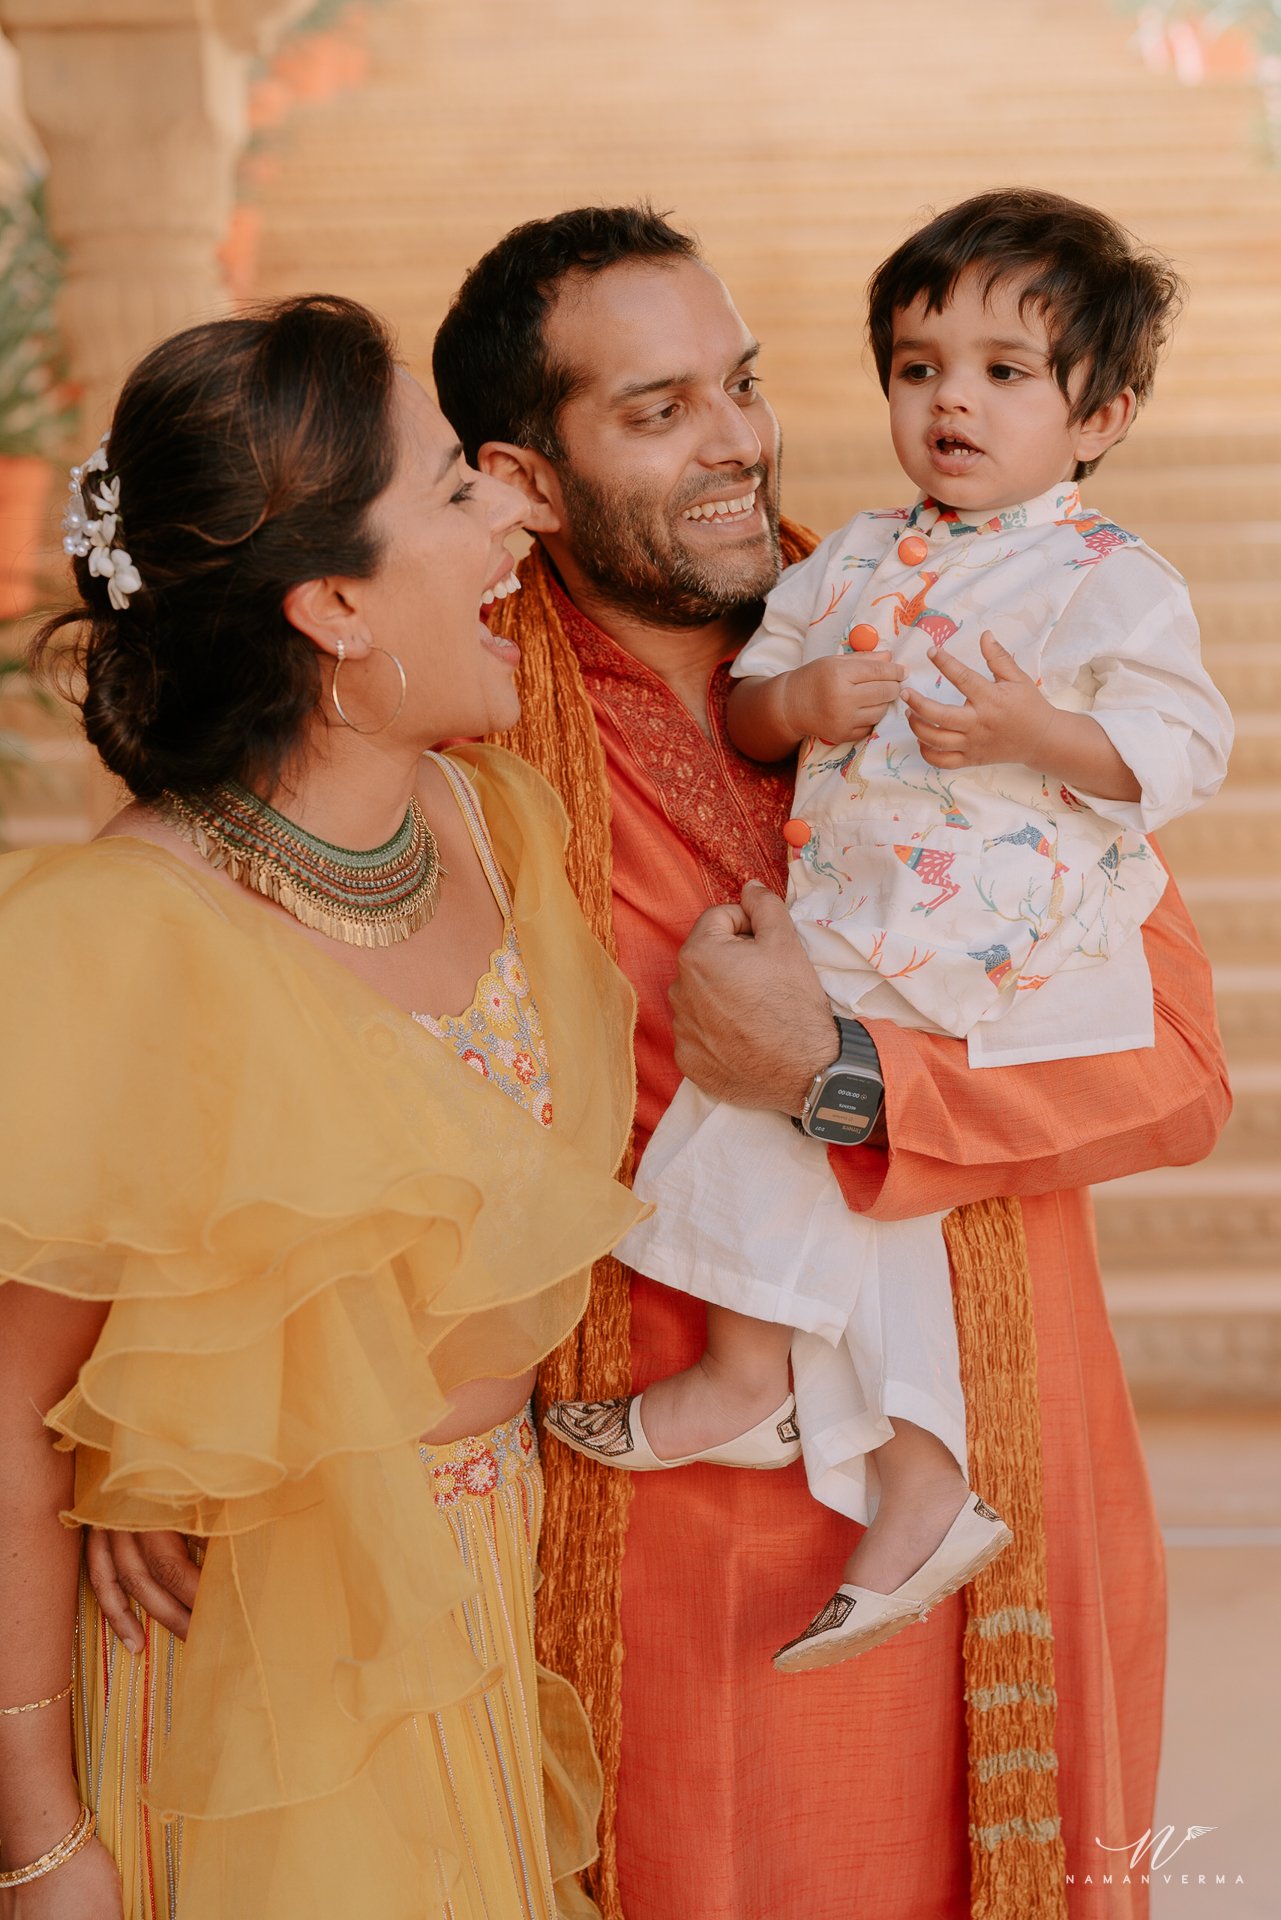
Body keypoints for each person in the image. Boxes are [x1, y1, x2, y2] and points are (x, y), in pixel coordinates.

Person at [430, 205, 1231, 1920]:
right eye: (657, 412)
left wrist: (842, 1076)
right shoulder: (469, 722)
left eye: (740, 383)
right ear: (530, 477)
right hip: (679, 1551)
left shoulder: (968, 628)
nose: (735, 442)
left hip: (1006, 1475)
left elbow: (1171, 1067)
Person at [0, 294, 640, 1920]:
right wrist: (40, 1840)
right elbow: (10, 1419)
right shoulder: (115, 938)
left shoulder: (497, 827)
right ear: (338, 603)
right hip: (238, 1687)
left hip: (475, 1610)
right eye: (451, 485)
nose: (512, 504)